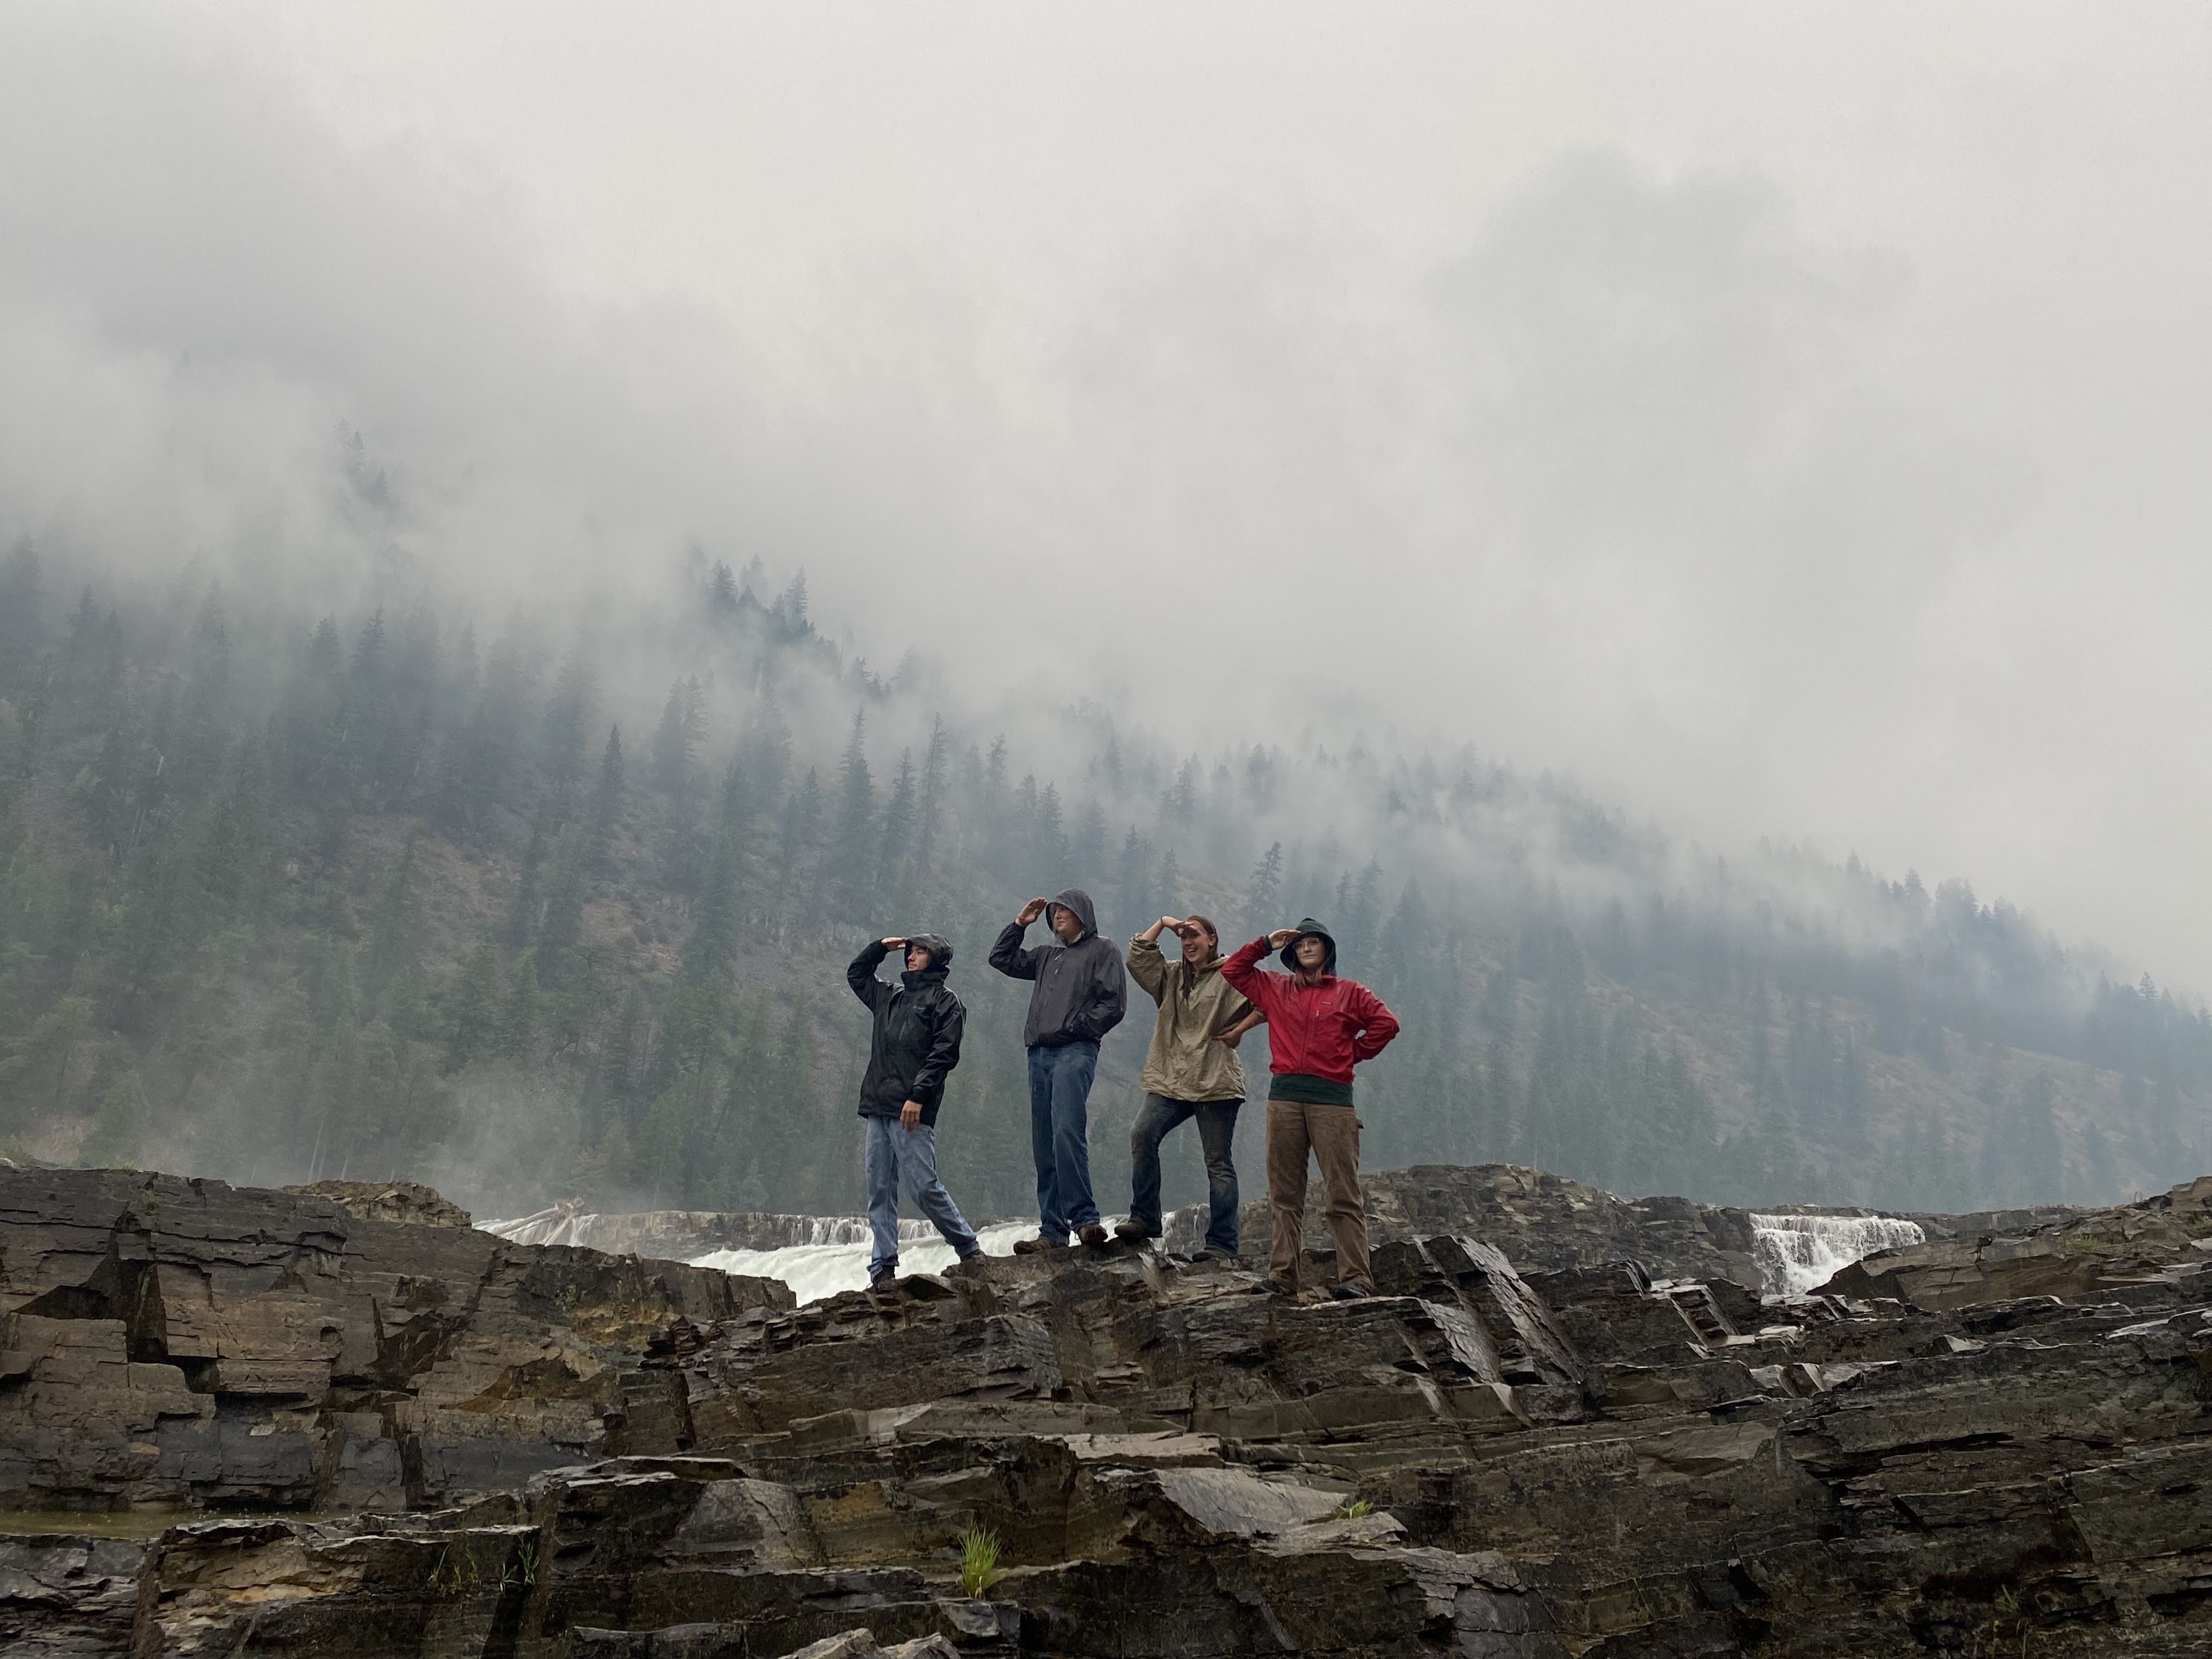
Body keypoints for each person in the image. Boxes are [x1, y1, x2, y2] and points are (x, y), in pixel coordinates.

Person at [1222, 917, 1400, 1299]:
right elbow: (1233, 970)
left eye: (1314, 942)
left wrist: (1351, 1054)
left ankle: (1355, 1278)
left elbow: (1386, 1024)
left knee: (1342, 1192)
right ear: (1291, 953)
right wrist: (1266, 943)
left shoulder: (1350, 992)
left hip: (1333, 1102)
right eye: (1299, 944)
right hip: (1284, 1097)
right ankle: (1283, 1275)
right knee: (1284, 1193)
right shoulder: (1274, 987)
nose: (1306, 948)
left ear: (1327, 949)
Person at [1114, 914, 1263, 1260]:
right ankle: (1146, 1218)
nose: (1187, 942)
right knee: (1142, 1135)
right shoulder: (1171, 975)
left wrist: (1240, 1029)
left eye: (1194, 935)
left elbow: (1267, 1000)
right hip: (1172, 1078)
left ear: (1213, 939)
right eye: (1182, 937)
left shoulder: (1231, 975)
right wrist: (1164, 923)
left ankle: (1222, 1243)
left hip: (1215, 1081)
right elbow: (1138, 956)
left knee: (1218, 1163)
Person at [988, 888, 1127, 1253]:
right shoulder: (1046, 955)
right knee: (1044, 1141)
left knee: (1066, 1131)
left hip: (1075, 1050)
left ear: (1084, 913)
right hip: (1039, 1055)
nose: (1058, 914)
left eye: (1066, 909)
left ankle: (1085, 1220)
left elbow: (1113, 1005)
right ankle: (1052, 1231)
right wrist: (1020, 924)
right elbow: (1001, 959)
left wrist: (1075, 1027)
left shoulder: (1104, 951)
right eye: (1055, 911)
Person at [846, 932, 983, 1290]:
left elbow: (944, 1055)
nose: (911, 957)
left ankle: (969, 1248)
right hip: (878, 1107)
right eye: (910, 951)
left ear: (936, 959)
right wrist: (880, 948)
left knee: (923, 1187)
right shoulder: (888, 996)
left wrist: (918, 1096)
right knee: (879, 1191)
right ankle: (882, 1269)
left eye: (920, 952)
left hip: (912, 1110)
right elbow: (856, 975)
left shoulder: (946, 1003)